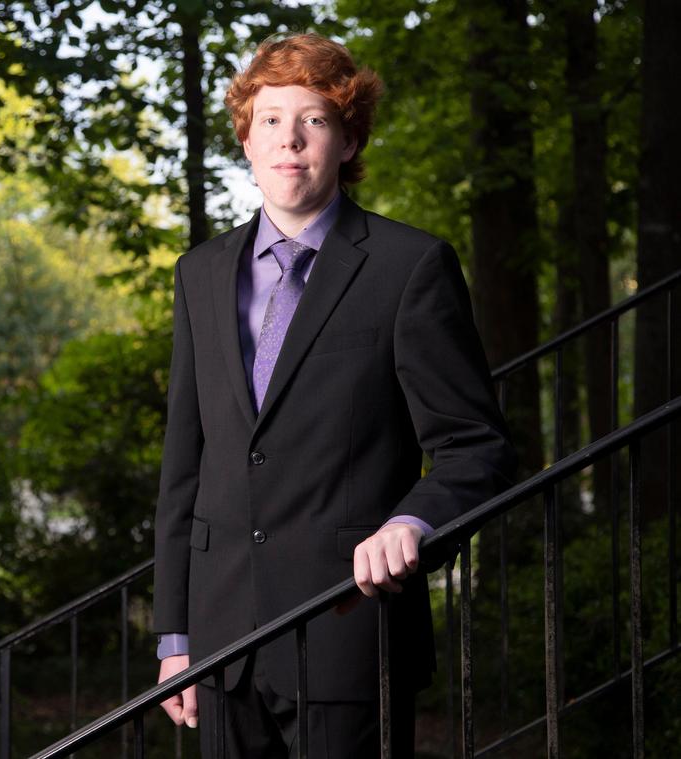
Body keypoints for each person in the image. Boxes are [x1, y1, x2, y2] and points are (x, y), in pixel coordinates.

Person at [152, 32, 516, 758]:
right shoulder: (199, 272)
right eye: (270, 120)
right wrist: (175, 635)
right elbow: (184, 466)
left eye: (313, 119)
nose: (289, 139)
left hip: (350, 634)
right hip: (223, 648)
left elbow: (477, 447)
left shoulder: (410, 267)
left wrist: (414, 521)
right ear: (248, 142)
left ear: (347, 141)